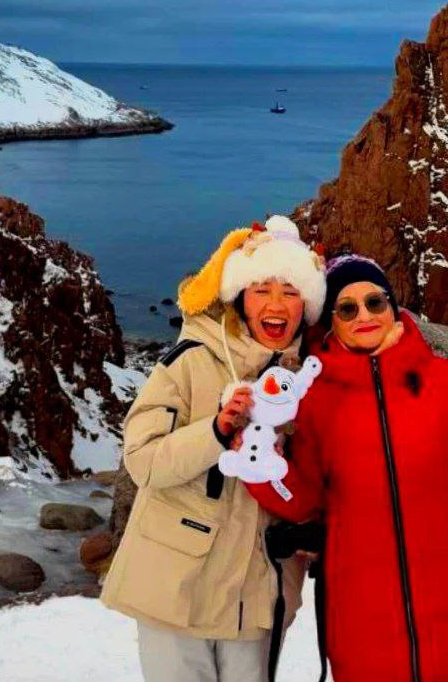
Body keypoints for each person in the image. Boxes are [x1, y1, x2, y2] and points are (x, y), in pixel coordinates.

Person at [243, 254, 448, 682]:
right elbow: (303, 498)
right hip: (363, 610)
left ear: (393, 306)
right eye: (347, 308)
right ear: (331, 322)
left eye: (375, 302)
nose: (364, 316)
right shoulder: (316, 401)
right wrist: (261, 466)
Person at [101, 215, 329, 682]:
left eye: (290, 292)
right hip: (175, 586)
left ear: (306, 305)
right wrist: (216, 433)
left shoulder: (312, 379)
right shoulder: (191, 361)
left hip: (258, 594)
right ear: (240, 297)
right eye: (262, 289)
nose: (276, 304)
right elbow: (143, 461)